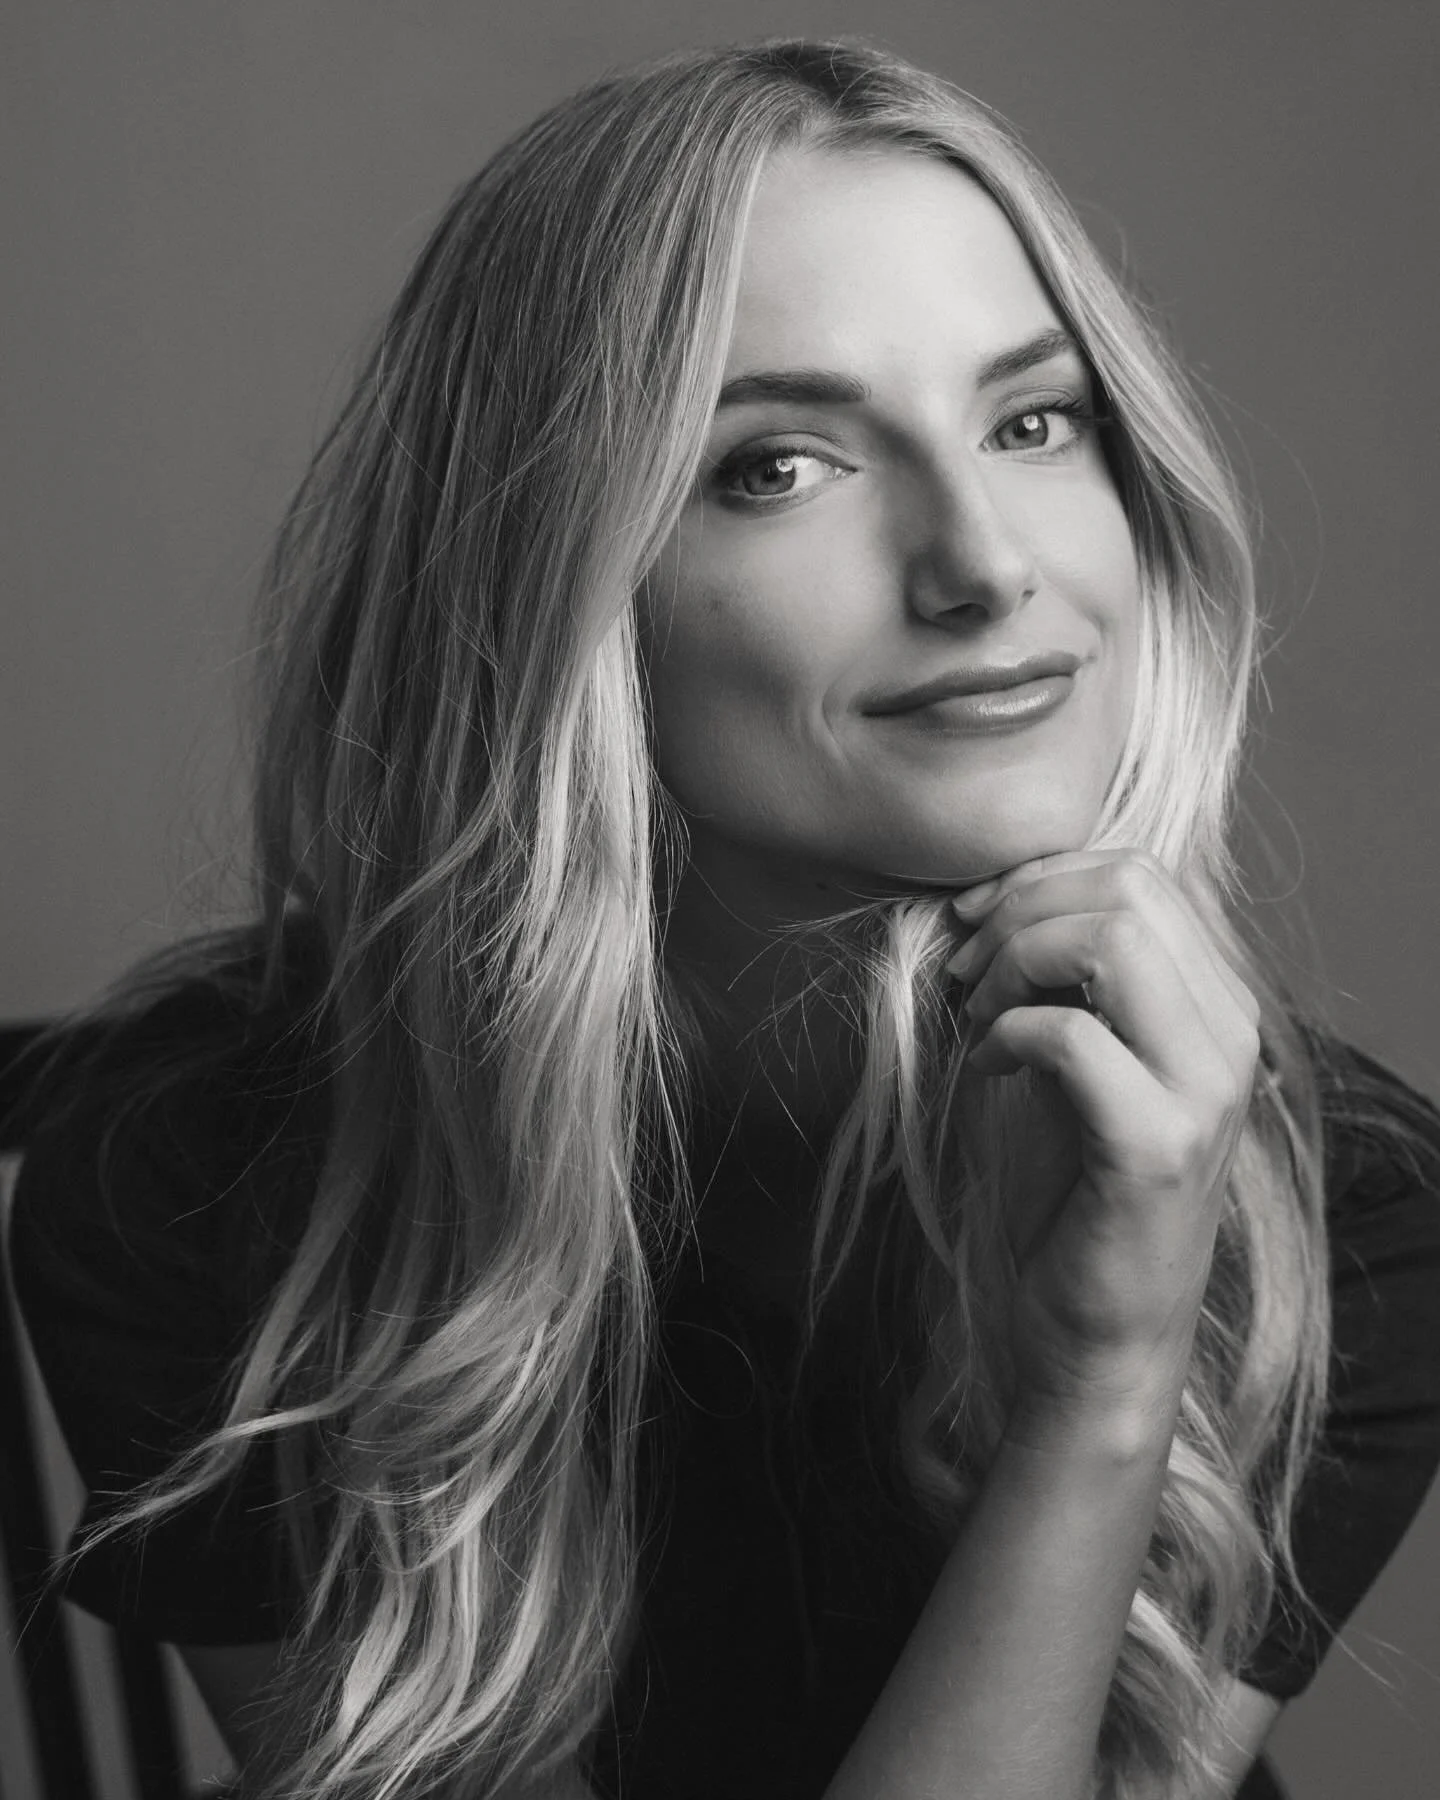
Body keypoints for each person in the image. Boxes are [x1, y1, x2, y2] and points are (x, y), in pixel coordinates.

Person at [10, 37, 1440, 1800]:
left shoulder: (1333, 1218)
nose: (984, 564)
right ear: (547, 583)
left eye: (1035, 420)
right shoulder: (198, 1177)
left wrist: (1110, 1375)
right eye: (778, 466)